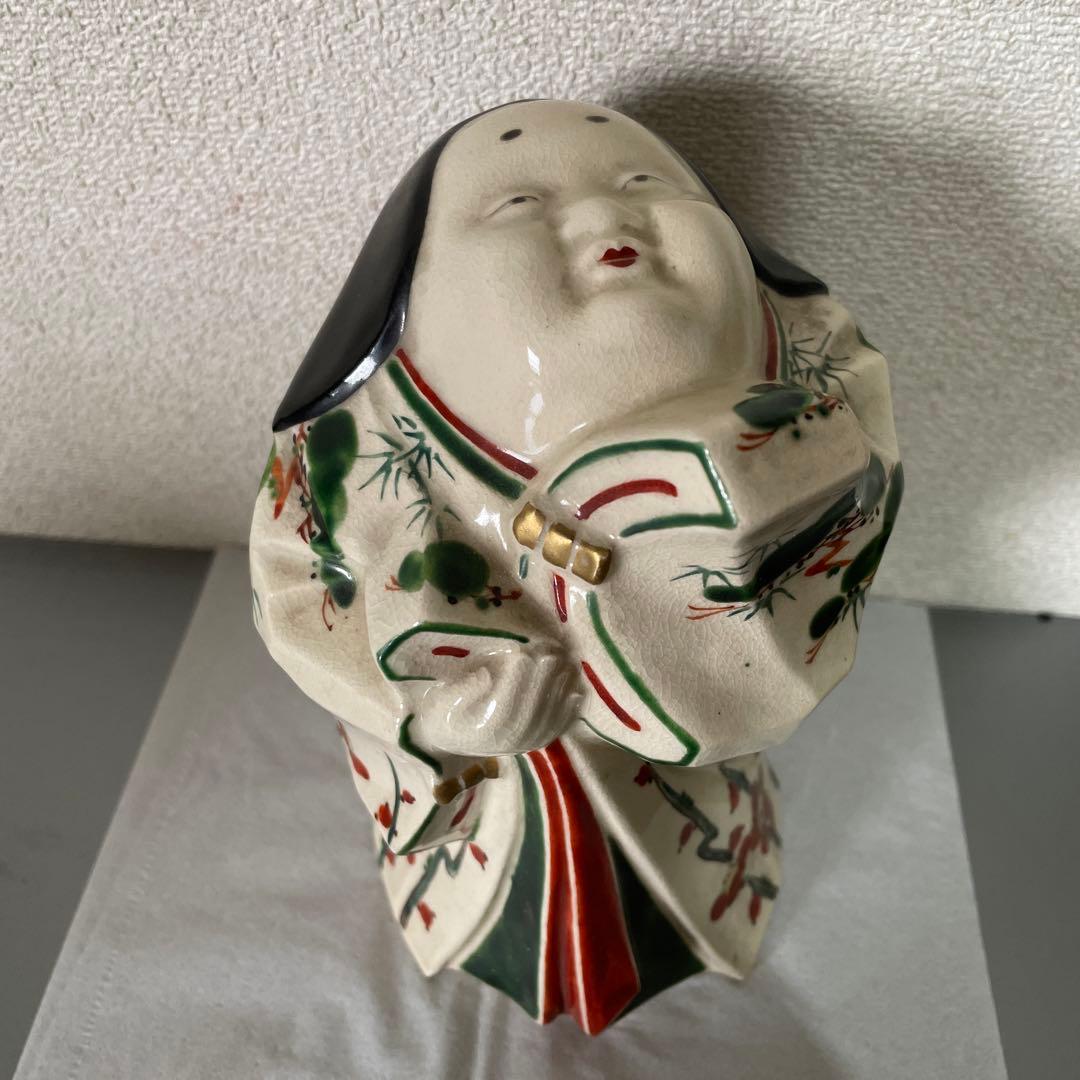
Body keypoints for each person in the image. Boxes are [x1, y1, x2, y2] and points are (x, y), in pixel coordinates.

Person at [250, 99, 902, 1034]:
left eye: (645, 182)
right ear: (415, 284)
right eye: (519, 205)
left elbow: (855, 513)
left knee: (696, 847)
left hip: (694, 781)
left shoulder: (813, 365)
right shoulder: (357, 442)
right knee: (500, 882)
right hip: (492, 801)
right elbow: (300, 594)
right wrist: (436, 720)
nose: (604, 215)